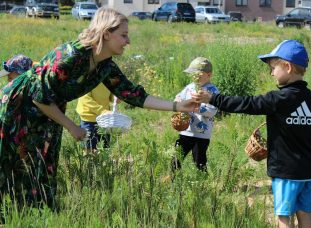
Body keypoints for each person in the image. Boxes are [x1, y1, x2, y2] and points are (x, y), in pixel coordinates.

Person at [0, 7, 196, 209]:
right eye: (124, 35)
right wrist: (72, 127)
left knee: (42, 164)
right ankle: (10, 213)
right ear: (106, 33)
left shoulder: (105, 66)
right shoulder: (72, 56)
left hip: (51, 109)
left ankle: (35, 213)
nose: (128, 41)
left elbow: (135, 95)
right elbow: (39, 97)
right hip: (21, 104)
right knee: (15, 162)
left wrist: (178, 105)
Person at [193, 40, 311, 228]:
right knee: (305, 215)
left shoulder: (278, 98)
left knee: (283, 217)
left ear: (287, 66)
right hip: (308, 171)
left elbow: (247, 104)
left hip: (286, 172)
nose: (271, 72)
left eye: (273, 67)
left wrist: (213, 98)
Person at [171, 57, 219, 172]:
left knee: (199, 161)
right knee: (175, 159)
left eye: (198, 75)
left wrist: (197, 108)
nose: (195, 77)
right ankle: (174, 182)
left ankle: (203, 184)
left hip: (201, 134)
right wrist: (177, 100)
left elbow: (212, 111)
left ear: (209, 74)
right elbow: (179, 98)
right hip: (185, 131)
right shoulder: (189, 87)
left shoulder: (212, 91)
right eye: (193, 75)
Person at [76, 83, 114, 153]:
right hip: (89, 119)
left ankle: (103, 163)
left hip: (104, 119)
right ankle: (89, 162)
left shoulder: (107, 77)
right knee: (88, 148)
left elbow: (112, 94)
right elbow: (85, 99)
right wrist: (102, 111)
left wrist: (116, 98)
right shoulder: (88, 77)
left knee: (105, 148)